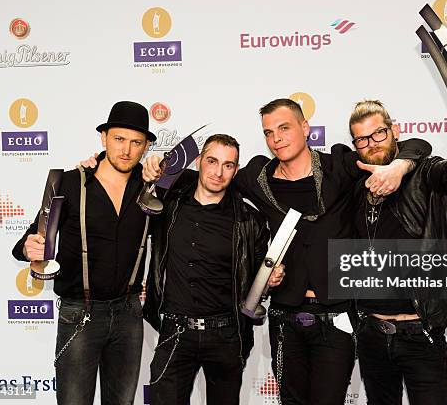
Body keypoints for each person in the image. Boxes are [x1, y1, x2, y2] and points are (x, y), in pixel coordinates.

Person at [142, 98, 432, 405]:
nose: (276, 138)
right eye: (268, 132)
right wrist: (159, 171)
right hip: (285, 318)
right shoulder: (255, 176)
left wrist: (400, 165)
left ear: (305, 128)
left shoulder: (339, 164)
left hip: (336, 317)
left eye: (284, 128)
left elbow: (417, 146)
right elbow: (210, 178)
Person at [349, 89, 447, 405]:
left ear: (395, 131)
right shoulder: (354, 183)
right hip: (371, 333)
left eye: (378, 133)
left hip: (421, 332)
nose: (371, 143)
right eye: (361, 139)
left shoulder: (426, 174)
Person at [13, 101, 154, 405]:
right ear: (103, 138)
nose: (126, 150)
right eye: (118, 139)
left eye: (136, 142)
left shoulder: (152, 188)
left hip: (129, 314)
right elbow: (29, 240)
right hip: (80, 313)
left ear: (146, 147)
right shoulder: (69, 182)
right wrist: (30, 247)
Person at [142, 134, 278, 405]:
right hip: (175, 332)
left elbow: (259, 278)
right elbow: (123, 181)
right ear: (199, 162)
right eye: (212, 161)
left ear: (235, 170)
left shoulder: (249, 219)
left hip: (227, 335)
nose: (218, 172)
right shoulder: (168, 205)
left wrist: (271, 279)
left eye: (228, 165)